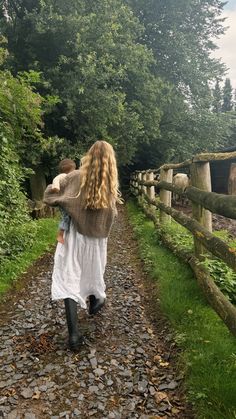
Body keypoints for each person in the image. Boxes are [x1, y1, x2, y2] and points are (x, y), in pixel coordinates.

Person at [44, 141, 122, 351]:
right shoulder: (110, 186)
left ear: (88, 156)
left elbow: (53, 196)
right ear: (111, 162)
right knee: (93, 273)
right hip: (97, 241)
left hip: (74, 236)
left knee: (69, 276)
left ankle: (74, 336)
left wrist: (55, 189)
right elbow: (110, 216)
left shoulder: (76, 176)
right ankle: (96, 300)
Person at [51, 159, 76, 244]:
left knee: (67, 216)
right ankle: (60, 235)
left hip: (66, 200)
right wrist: (56, 187)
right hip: (63, 200)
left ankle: (66, 232)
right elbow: (55, 181)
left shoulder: (70, 176)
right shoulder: (62, 176)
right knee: (65, 217)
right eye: (73, 170)